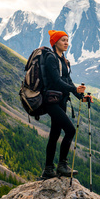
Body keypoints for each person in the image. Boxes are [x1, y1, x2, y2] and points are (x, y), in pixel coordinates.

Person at [40, 30, 90, 179]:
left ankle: (48, 170)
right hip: (51, 101)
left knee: (55, 134)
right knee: (70, 130)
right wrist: (74, 89)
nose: (66, 43)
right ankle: (62, 165)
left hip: (60, 101)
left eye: (67, 40)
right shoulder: (51, 58)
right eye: (63, 40)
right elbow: (56, 81)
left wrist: (81, 96)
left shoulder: (64, 60)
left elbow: (67, 81)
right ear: (55, 42)